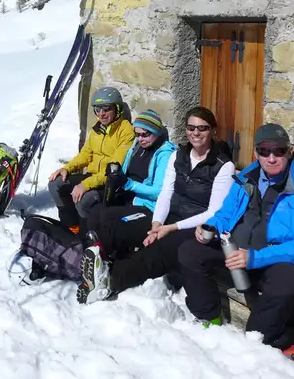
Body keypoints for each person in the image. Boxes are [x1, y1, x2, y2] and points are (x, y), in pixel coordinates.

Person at [178, 123, 294, 349]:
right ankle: (210, 316)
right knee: (189, 251)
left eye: (279, 151)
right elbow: (226, 213)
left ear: (289, 151)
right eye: (265, 151)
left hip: (269, 259)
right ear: (256, 153)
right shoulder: (247, 178)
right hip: (234, 250)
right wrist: (211, 226)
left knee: (288, 280)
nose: (272, 158)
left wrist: (257, 257)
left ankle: (257, 340)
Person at [77, 106, 234, 304]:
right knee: (114, 225)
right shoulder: (179, 156)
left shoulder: (223, 166)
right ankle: (96, 267)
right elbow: (166, 193)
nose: (196, 133)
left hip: (194, 227)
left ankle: (111, 281)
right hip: (168, 218)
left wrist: (169, 228)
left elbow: (213, 212)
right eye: (191, 127)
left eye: (202, 128)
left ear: (213, 130)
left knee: (156, 252)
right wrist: (156, 224)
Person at [85, 109, 176, 259]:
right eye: (137, 134)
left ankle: (106, 259)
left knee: (108, 220)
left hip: (146, 205)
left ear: (155, 132)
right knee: (95, 211)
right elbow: (125, 169)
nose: (140, 138)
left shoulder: (165, 154)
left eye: (145, 134)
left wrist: (128, 184)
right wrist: (116, 173)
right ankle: (91, 252)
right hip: (127, 196)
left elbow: (159, 191)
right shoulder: (136, 147)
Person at [48, 86, 135, 236]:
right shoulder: (97, 129)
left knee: (84, 199)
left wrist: (85, 185)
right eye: (97, 108)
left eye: (106, 108)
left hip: (110, 182)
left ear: (117, 109)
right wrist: (67, 168)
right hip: (93, 176)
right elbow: (85, 155)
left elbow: (114, 168)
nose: (101, 114)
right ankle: (71, 228)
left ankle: (85, 236)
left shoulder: (125, 131)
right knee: (55, 184)